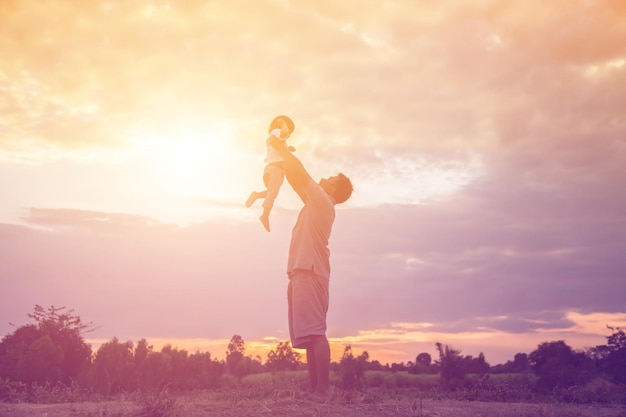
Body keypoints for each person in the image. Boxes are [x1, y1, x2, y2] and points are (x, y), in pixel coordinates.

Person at [268, 132, 353, 395]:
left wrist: (281, 148)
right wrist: (283, 156)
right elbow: (296, 179)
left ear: (331, 190)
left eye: (330, 179)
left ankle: (322, 390)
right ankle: (315, 390)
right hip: (302, 272)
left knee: (315, 333)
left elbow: (300, 173)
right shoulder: (316, 202)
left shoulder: (323, 202)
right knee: (308, 336)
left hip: (310, 272)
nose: (324, 178)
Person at [246, 115, 295, 232]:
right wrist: (283, 124)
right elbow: (283, 134)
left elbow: (277, 150)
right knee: (272, 194)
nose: (290, 135)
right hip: (276, 169)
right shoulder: (277, 132)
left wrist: (289, 149)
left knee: (270, 193)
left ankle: (256, 195)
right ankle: (265, 215)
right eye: (290, 131)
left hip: (270, 168)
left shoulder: (275, 137)